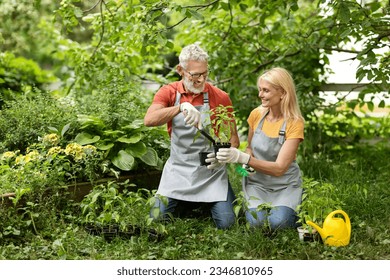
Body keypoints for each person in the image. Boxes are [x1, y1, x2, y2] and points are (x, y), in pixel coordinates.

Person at [144, 43, 240, 229]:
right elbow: (149, 120)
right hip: (178, 171)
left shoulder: (219, 97)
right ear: (180, 70)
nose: (201, 79)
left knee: (228, 223)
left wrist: (224, 157)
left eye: (205, 73)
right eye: (195, 74)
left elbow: (234, 139)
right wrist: (180, 107)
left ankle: (197, 203)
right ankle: (193, 203)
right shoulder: (169, 92)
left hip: (210, 173)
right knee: (156, 220)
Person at [215, 67, 304, 231]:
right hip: (257, 184)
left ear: (282, 93)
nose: (260, 95)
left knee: (279, 223)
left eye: (266, 91)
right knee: (256, 223)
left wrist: (244, 158)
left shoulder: (294, 123)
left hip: (285, 185)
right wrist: (244, 169)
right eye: (260, 90)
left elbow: (279, 169)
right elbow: (249, 148)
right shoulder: (257, 114)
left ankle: (295, 204)